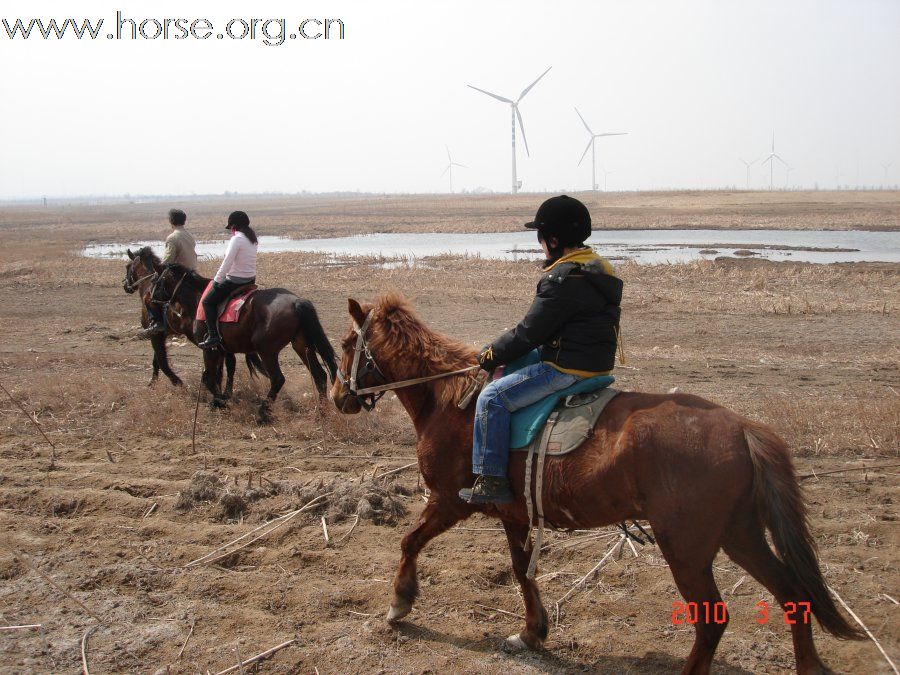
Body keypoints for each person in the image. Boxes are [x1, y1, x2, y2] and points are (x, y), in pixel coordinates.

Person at [458, 195, 623, 505]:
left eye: (541, 237)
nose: (540, 245)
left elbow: (529, 333)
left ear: (554, 239)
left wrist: (491, 354)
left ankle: (491, 479)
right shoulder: (597, 268)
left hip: (566, 368)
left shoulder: (562, 279)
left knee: (492, 398)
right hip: (593, 359)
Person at [197, 211, 258, 349]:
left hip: (235, 280)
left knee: (207, 302)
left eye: (231, 227)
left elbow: (227, 262)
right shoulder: (252, 239)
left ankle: (213, 336)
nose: (231, 230)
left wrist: (217, 280)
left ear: (234, 226)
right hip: (250, 279)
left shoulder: (237, 239)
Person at [144, 208, 197, 335]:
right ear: (184, 220)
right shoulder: (189, 235)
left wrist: (158, 269)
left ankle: (158, 323)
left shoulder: (172, 237)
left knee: (149, 296)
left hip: (178, 276)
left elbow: (167, 260)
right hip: (193, 273)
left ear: (170, 221)